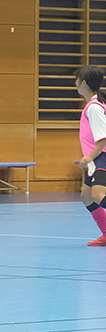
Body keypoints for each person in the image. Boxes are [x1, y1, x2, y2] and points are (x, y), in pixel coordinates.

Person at [75, 66, 106, 247]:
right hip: (97, 158)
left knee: (98, 194)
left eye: (77, 79)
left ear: (84, 83)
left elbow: (103, 139)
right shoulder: (95, 104)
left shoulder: (94, 108)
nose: (75, 83)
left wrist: (89, 157)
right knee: (86, 196)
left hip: (102, 157)